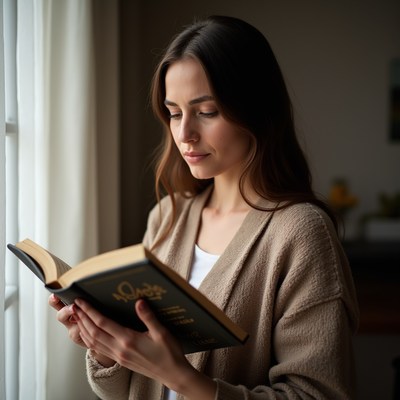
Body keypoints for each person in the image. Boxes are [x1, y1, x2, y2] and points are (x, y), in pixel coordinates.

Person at [49, 15, 359, 400]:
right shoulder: (167, 217)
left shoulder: (300, 232)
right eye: (174, 113)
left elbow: (319, 395)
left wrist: (183, 379)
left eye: (206, 111)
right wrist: (107, 348)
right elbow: (128, 389)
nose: (184, 134)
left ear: (255, 108)